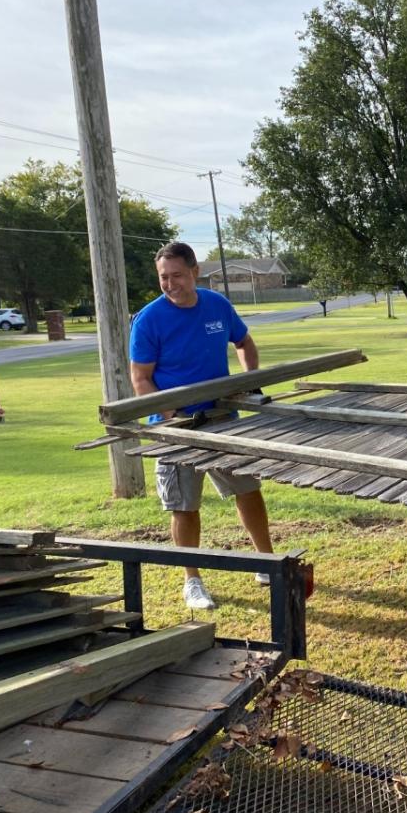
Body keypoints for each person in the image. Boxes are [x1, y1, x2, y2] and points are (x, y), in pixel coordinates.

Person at [130, 242, 275, 610]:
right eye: (163, 277)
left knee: (247, 489)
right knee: (184, 504)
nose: (170, 283)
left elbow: (244, 342)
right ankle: (192, 581)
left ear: (195, 271)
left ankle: (266, 564)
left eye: (177, 275)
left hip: (222, 417)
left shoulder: (217, 305)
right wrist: (169, 417)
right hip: (176, 426)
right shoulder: (148, 319)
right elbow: (141, 379)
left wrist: (248, 380)